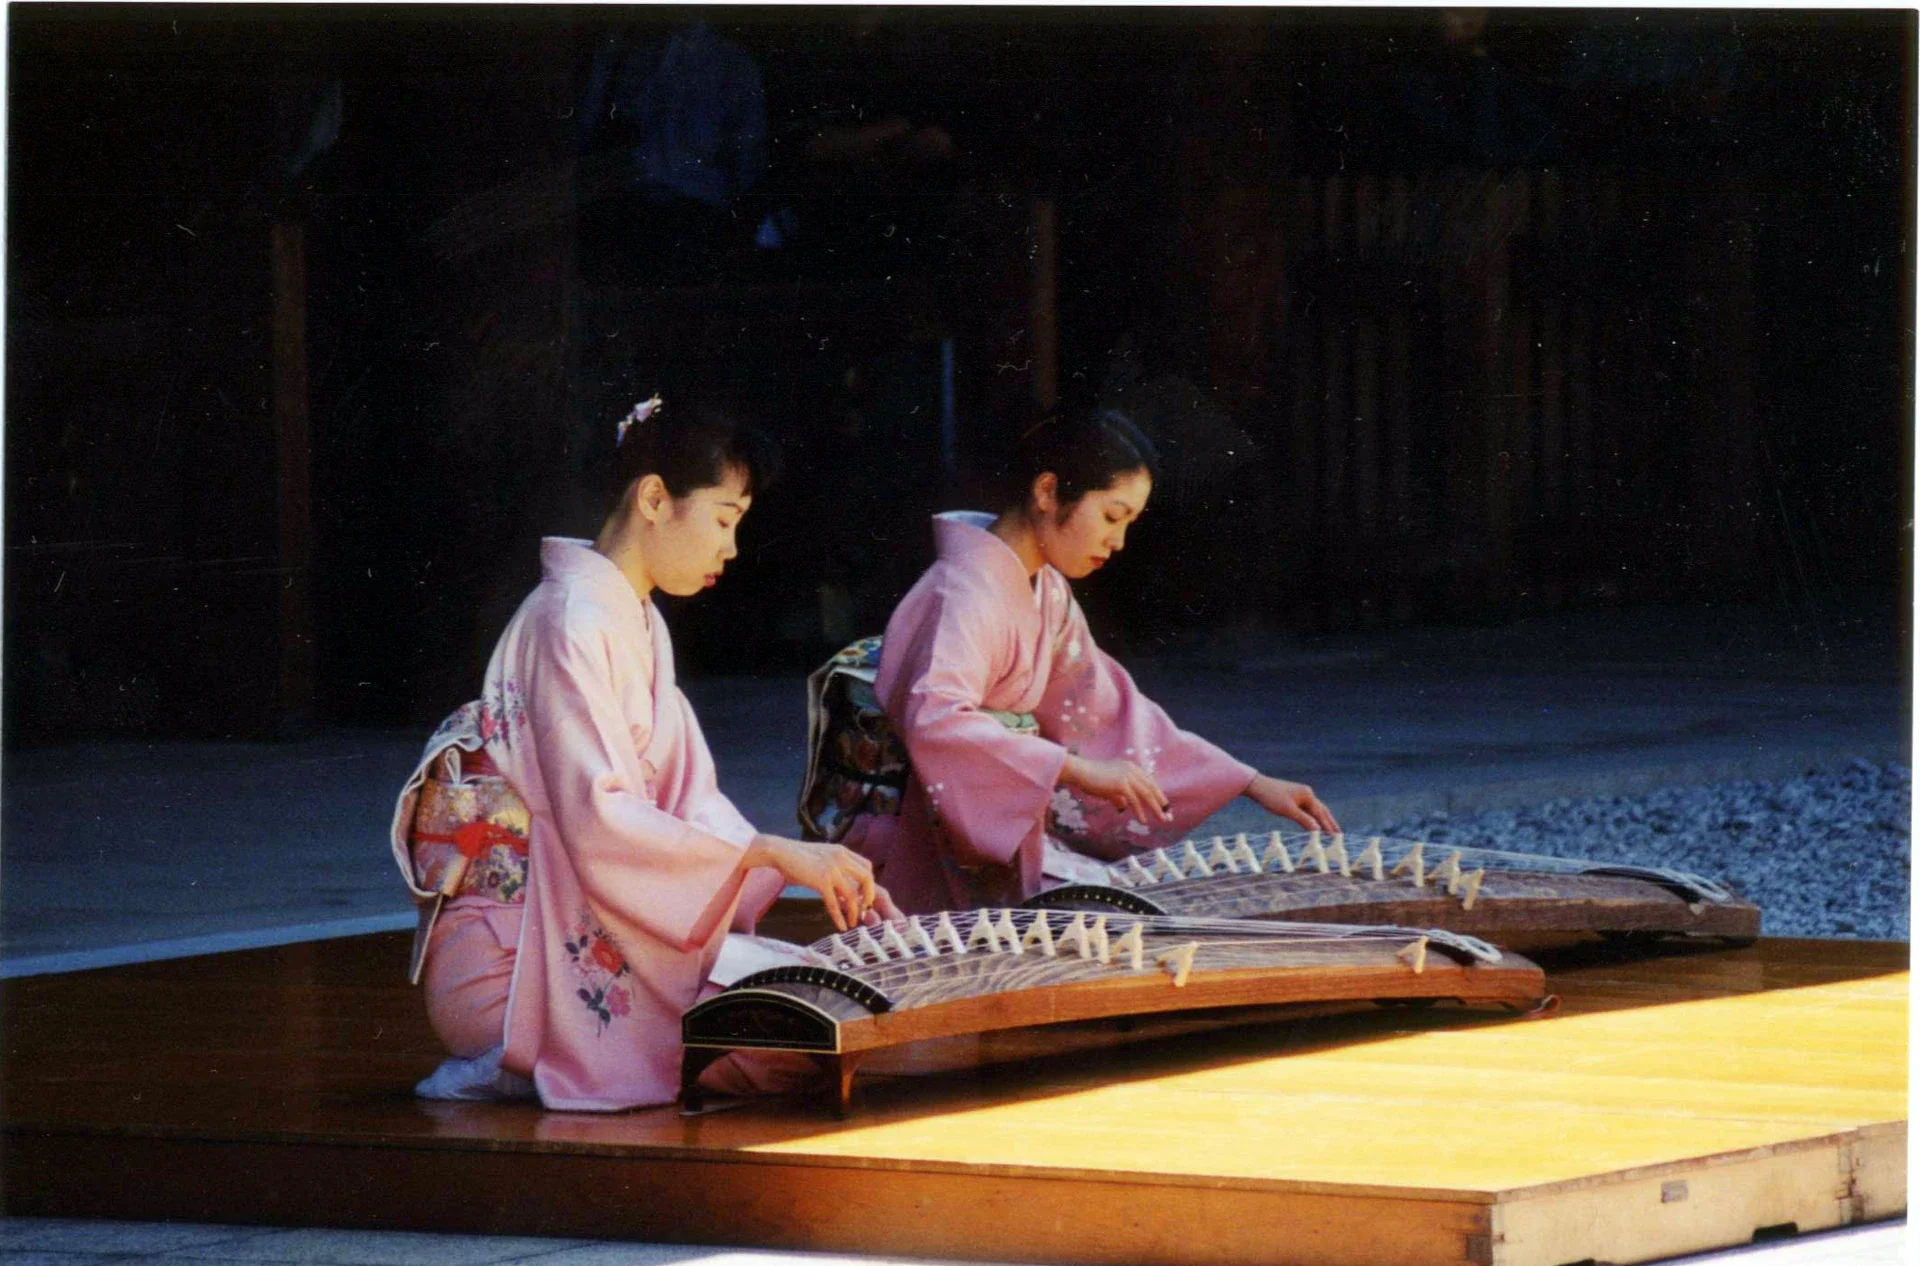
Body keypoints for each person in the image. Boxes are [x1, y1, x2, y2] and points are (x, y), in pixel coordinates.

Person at [392, 391, 891, 1111]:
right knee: (791, 1035)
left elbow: (693, 803)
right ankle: (519, 1053)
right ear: (654, 499)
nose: (731, 548)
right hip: (513, 957)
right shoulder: (568, 621)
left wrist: (803, 864)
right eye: (725, 519)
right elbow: (600, 820)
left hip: (592, 919)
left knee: (828, 1006)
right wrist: (769, 854)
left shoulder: (636, 622)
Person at [843, 407, 1339, 915]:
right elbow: (936, 721)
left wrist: (1249, 782)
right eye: (1111, 516)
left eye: (1128, 523)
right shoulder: (962, 593)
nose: (1118, 542)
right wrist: (1076, 770)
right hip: (933, 843)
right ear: (1047, 492)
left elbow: (1106, 710)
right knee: (1117, 919)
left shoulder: (1048, 591)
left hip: (999, 828)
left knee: (1138, 907)